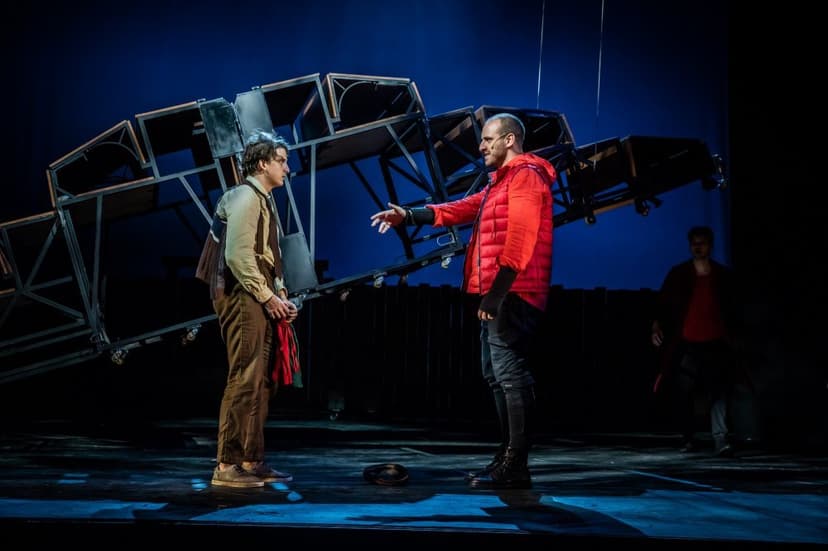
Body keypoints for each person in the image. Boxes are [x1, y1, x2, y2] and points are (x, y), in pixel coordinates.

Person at [370, 113, 556, 489]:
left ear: (509, 140)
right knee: (495, 375)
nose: (481, 146)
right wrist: (408, 215)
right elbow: (460, 209)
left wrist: (496, 293)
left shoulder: (525, 175)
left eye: (488, 139)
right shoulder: (500, 182)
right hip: (500, 292)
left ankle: (515, 465)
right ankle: (507, 458)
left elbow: (520, 238)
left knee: (510, 375)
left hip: (514, 292)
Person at [202, 130, 299, 488]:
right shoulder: (245, 196)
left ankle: (250, 459)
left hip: (257, 293)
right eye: (281, 161)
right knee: (245, 377)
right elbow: (238, 256)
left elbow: (267, 254)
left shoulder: (263, 200)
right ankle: (226, 465)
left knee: (261, 381)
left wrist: (280, 294)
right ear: (262, 164)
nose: (286, 169)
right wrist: (267, 296)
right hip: (241, 294)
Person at [650, 225, 744, 457]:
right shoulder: (679, 274)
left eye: (702, 243)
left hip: (715, 341)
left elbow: (734, 308)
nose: (698, 247)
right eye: (694, 243)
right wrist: (656, 326)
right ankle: (688, 438)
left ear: (710, 246)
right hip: (688, 342)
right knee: (684, 391)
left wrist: (735, 338)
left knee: (718, 391)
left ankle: (720, 438)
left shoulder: (722, 276)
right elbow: (662, 303)